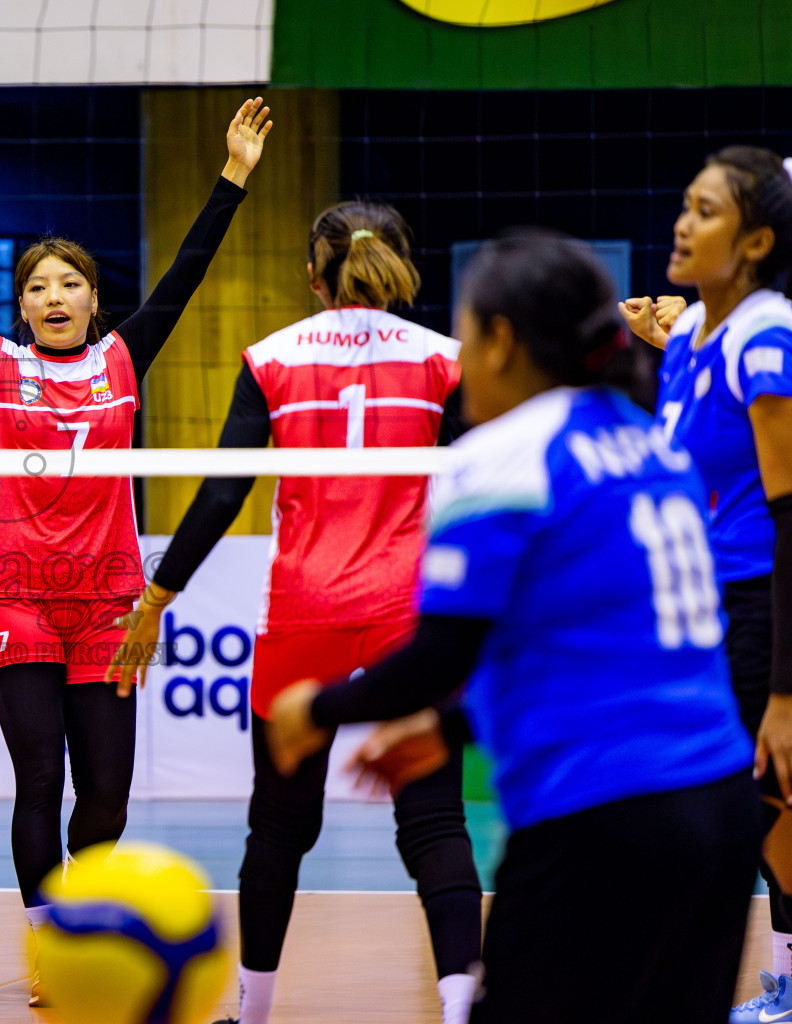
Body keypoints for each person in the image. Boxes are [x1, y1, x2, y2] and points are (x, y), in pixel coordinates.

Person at [0, 98, 272, 1002]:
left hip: (110, 599)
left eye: (69, 283)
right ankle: (49, 949)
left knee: (105, 793)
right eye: (37, 287)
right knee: (41, 778)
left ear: (93, 300)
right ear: (21, 306)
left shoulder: (124, 359)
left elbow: (186, 274)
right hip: (17, 598)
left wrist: (232, 176)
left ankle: (84, 921)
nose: (54, 297)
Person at [264, 230, 760, 1022]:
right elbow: (602, 650)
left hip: (600, 815)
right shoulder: (651, 444)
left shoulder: (504, 457)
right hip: (721, 807)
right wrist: (454, 724)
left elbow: (438, 653)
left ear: (499, 340)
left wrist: (315, 709)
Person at [106, 201, 482, 1024]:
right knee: (433, 821)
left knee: (278, 827)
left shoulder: (271, 357)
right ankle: (462, 1010)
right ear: (401, 267)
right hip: (408, 614)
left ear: (314, 277)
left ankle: (255, 1014)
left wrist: (157, 596)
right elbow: (485, 481)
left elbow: (225, 488)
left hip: (304, 609)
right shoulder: (447, 361)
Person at [616, 147, 792, 1024]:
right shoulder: (692, 337)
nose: (683, 223)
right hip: (697, 608)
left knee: (754, 806)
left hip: (762, 603)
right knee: (749, 812)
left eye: (708, 211)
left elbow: (791, 515)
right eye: (684, 205)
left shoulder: (768, 336)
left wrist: (786, 694)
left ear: (756, 240)